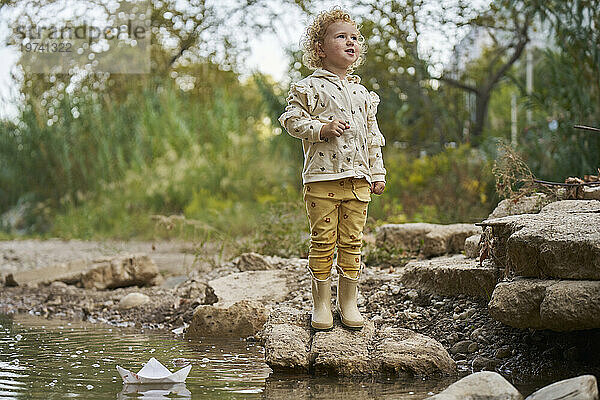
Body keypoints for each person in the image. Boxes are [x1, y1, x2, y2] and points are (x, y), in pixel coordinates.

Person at [278, 8, 387, 330]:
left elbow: (372, 138)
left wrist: (377, 173)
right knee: (323, 241)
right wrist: (321, 129)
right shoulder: (308, 88)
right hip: (322, 180)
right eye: (341, 37)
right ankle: (321, 304)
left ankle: (349, 302)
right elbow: (291, 120)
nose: (351, 43)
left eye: (355, 38)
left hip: (358, 181)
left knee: (353, 241)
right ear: (320, 48)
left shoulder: (363, 94)